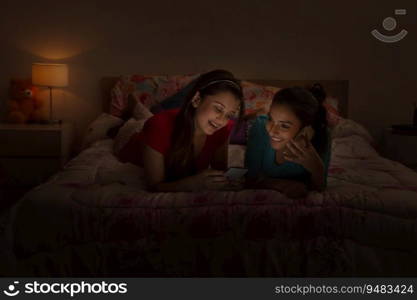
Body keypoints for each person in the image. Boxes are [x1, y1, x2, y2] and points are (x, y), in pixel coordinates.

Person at [118, 70, 245, 192]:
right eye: (218, 109)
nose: (222, 120)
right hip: (132, 137)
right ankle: (134, 106)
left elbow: (219, 171)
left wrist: (231, 181)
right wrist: (192, 184)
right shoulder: (158, 126)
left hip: (178, 117)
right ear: (196, 100)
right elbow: (154, 186)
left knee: (148, 116)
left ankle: (139, 109)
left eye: (229, 115)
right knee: (138, 120)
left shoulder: (223, 129)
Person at [245, 84, 331, 197]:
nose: (272, 131)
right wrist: (282, 185)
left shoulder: (321, 136)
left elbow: (319, 188)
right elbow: (249, 178)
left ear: (305, 130)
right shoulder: (261, 127)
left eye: (284, 126)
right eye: (271, 119)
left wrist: (317, 167)